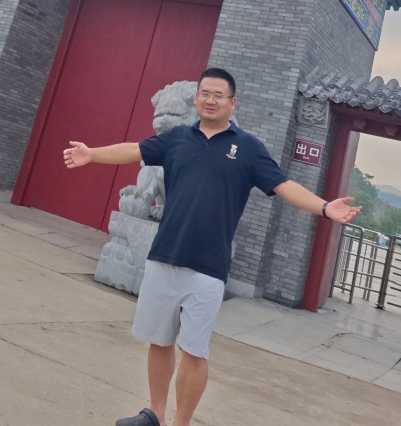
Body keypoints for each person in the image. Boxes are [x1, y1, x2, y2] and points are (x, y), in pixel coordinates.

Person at [63, 68, 361, 426]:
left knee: (194, 350)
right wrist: (92, 154)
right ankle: (155, 414)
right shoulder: (177, 137)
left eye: (218, 95)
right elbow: (134, 150)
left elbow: (284, 186)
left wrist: (326, 207)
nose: (210, 100)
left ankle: (181, 423)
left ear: (232, 102)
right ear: (196, 98)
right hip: (164, 256)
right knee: (159, 341)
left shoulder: (248, 148)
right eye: (204, 93)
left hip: (208, 268)